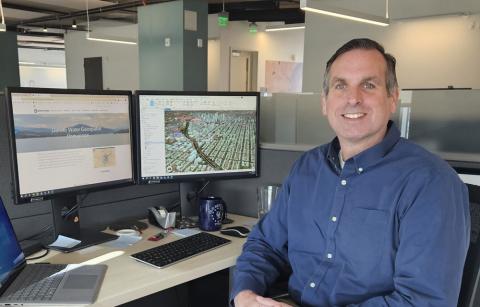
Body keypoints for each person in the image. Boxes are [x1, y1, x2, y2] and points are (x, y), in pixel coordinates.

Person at [231, 38, 471, 307]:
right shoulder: (306, 169)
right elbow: (264, 245)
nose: (353, 98)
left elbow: (422, 301)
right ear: (324, 102)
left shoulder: (431, 184)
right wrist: (245, 294)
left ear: (393, 98)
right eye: (340, 86)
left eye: (368, 85)